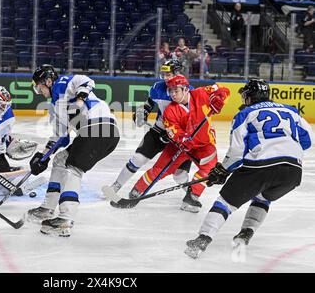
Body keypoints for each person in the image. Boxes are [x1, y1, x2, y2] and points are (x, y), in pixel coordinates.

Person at [185, 79, 314, 259]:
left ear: (249, 96)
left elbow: (237, 152)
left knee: (225, 203)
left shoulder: (245, 114)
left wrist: (223, 169)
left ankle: (202, 240)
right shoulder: (290, 110)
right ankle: (245, 234)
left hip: (260, 167)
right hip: (292, 171)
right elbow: (308, 140)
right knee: (263, 198)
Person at [26, 64, 120, 237]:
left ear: (48, 81)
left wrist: (80, 99)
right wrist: (43, 156)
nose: (39, 92)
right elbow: (61, 137)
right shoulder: (55, 106)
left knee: (73, 168)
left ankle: (65, 219)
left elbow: (85, 81)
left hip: (100, 127)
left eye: (39, 87)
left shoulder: (62, 84)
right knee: (60, 159)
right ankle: (48, 208)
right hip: (97, 133)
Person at [127, 74, 230, 212]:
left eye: (176, 91)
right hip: (180, 146)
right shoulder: (170, 110)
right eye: (170, 91)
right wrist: (182, 139)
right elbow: (173, 131)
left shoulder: (200, 94)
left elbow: (222, 88)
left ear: (186, 89)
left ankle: (191, 197)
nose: (173, 94)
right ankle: (136, 191)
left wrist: (218, 99)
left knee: (209, 169)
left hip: (204, 145)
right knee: (160, 169)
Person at [102, 59, 193, 199]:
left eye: (168, 74)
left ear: (177, 73)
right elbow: (148, 105)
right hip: (158, 132)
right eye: (164, 74)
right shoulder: (158, 87)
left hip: (180, 138)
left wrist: (178, 135)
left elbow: (193, 120)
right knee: (137, 159)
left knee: (179, 174)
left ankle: (190, 194)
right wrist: (141, 113)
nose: (165, 77)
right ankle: (116, 186)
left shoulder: (188, 91)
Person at [0, 86, 37, 173]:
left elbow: (4, 136)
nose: (5, 109)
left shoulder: (8, 114)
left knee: (5, 175)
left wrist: (10, 143)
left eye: (8, 106)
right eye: (3, 105)